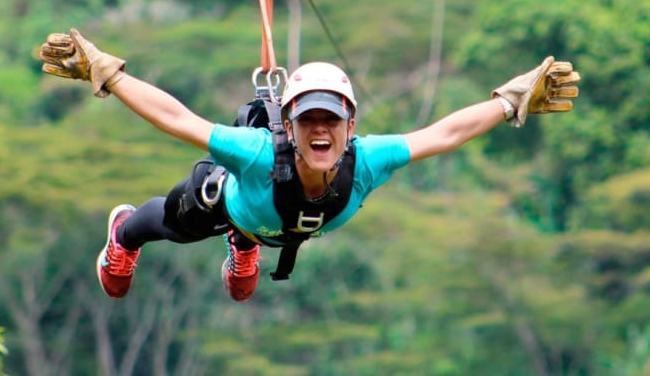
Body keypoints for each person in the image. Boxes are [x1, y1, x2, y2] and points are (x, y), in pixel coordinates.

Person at [38, 29, 580, 302]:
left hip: (271, 223)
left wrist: (509, 101)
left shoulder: (367, 161)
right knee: (180, 218)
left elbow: (443, 133)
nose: (320, 130)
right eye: (307, 121)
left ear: (350, 126)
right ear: (289, 128)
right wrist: (108, 73)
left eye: (332, 120)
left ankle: (245, 246)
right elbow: (177, 119)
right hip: (236, 200)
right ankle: (122, 236)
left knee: (259, 230)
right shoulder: (255, 153)